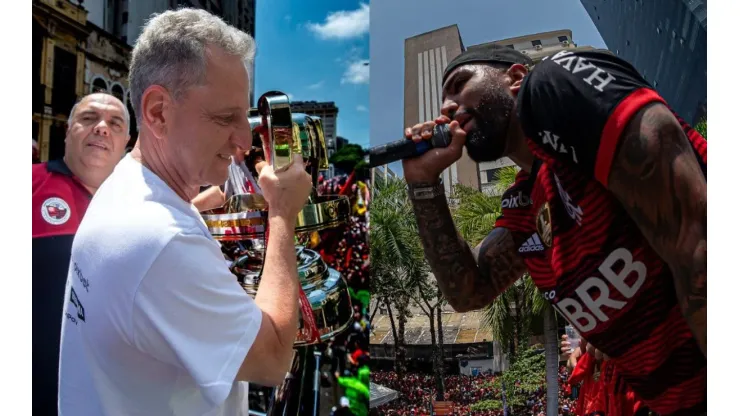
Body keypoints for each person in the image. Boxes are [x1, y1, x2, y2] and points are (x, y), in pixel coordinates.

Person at [403, 44, 706, 415]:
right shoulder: (526, 202)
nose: (446, 108)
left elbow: (700, 243)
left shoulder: (554, 82)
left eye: (460, 84)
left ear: (515, 78)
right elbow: (468, 291)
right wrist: (423, 183)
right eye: (443, 98)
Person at [57, 8, 312, 415]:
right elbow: (274, 358)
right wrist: (283, 212)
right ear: (158, 112)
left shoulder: (127, 187)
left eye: (243, 116)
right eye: (225, 117)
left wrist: (190, 208)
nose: (244, 139)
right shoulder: (160, 240)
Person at [32, 92, 130, 414]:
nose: (102, 127)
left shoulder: (141, 209)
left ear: (126, 143)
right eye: (89, 119)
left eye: (115, 124)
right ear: (68, 130)